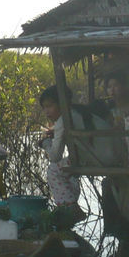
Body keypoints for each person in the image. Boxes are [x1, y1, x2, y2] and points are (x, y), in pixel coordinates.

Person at [39, 87, 83, 217]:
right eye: (44, 107)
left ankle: (68, 208)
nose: (47, 111)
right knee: (65, 168)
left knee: (53, 170)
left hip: (85, 159)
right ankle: (71, 203)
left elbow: (54, 156)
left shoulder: (62, 121)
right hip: (90, 156)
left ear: (61, 104)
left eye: (50, 106)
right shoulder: (75, 113)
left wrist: (46, 143)